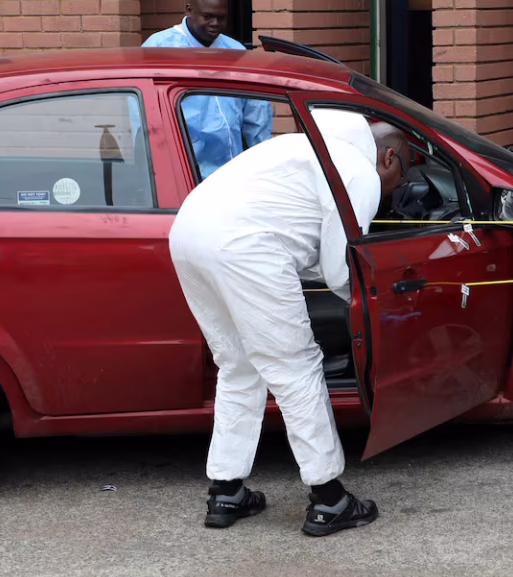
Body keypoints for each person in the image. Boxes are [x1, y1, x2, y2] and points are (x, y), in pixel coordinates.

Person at [169, 108, 408, 536]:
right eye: (402, 176)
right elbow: (338, 273)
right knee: (295, 366)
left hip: (187, 233)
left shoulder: (300, 147)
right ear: (389, 157)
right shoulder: (359, 173)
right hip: (244, 246)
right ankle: (329, 500)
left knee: (238, 365)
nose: (397, 189)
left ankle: (226, 492)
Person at [143, 0, 272, 179]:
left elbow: (256, 115)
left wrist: (264, 167)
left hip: (229, 175)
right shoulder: (159, 49)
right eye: (208, 17)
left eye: (221, 18)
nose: (215, 24)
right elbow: (142, 117)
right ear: (189, 9)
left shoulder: (236, 53)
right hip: (178, 176)